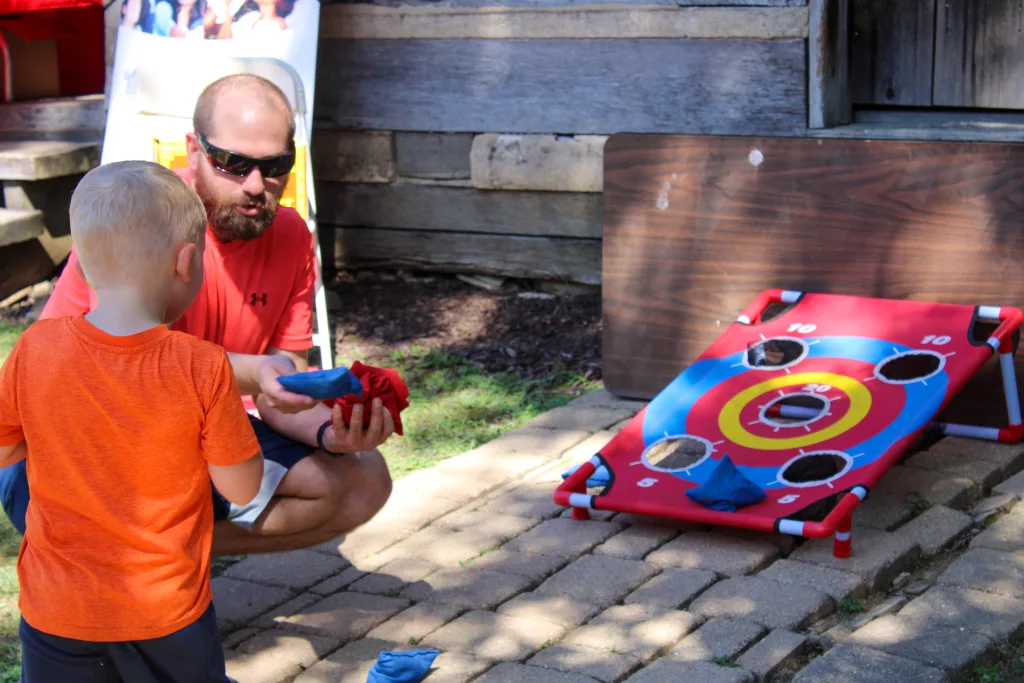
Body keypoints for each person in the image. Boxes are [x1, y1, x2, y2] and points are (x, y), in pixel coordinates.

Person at [0, 72, 396, 557]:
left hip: (190, 442)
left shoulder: (292, 236)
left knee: (363, 478)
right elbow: (87, 373)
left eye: (275, 165)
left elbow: (280, 391)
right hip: (83, 446)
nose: (256, 185)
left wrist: (329, 433)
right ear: (193, 150)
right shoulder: (135, 221)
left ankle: (160, 564)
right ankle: (127, 570)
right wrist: (253, 372)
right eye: (233, 163)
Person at [0, 161, 264, 681]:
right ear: (185, 262)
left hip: (58, 611)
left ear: (80, 265)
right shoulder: (203, 365)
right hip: (166, 613)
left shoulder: (35, 349)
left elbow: (5, 452)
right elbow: (240, 484)